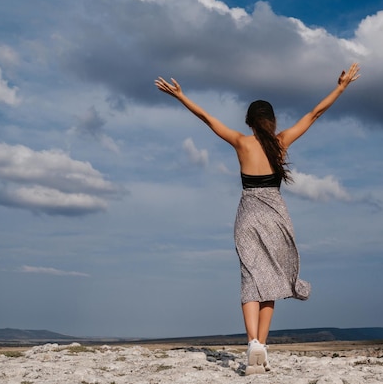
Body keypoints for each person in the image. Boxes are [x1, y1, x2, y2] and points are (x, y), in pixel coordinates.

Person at [154, 63, 360, 374]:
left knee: (251, 279)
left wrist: (181, 97)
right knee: (272, 280)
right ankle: (260, 345)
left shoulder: (240, 141)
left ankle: (252, 344)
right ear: (272, 121)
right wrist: (341, 87)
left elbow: (207, 118)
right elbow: (315, 114)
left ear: (250, 122)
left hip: (247, 215)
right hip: (275, 215)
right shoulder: (281, 142)